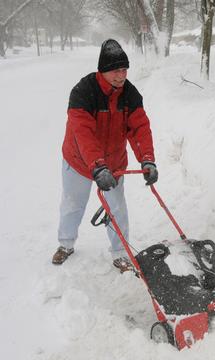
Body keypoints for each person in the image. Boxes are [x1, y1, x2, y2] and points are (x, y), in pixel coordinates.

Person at [52, 39, 159, 273]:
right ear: (103, 70)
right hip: (79, 161)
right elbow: (83, 135)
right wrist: (97, 166)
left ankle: (120, 253)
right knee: (73, 204)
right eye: (115, 71)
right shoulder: (83, 92)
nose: (121, 76)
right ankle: (66, 244)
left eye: (124, 70)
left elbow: (139, 128)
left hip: (114, 161)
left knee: (117, 208)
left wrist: (147, 159)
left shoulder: (129, 94)